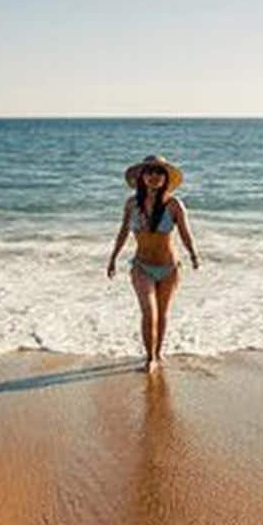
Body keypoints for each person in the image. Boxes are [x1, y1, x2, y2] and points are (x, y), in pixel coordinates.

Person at [106, 154, 200, 373]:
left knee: (163, 313)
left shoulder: (174, 204)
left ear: (165, 177)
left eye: (159, 172)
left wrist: (194, 255)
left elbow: (186, 234)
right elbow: (123, 232)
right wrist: (113, 258)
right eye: (149, 172)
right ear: (142, 176)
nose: (154, 176)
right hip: (142, 267)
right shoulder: (132, 204)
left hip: (169, 268)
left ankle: (158, 353)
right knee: (149, 312)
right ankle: (150, 358)